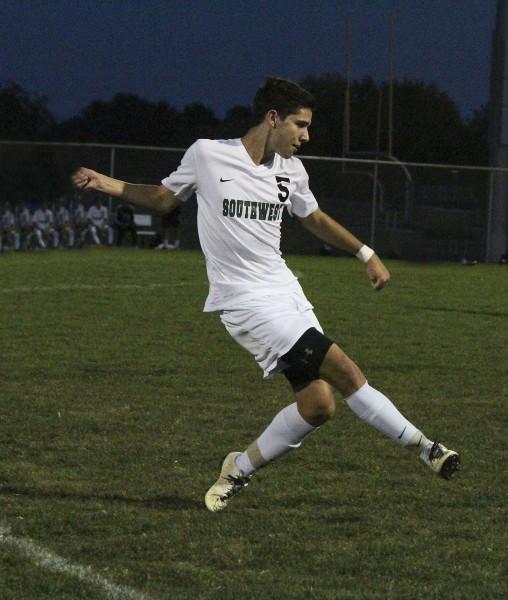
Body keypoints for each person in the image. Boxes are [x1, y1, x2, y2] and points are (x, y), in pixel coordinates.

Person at [71, 76, 460, 512]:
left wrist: (365, 252)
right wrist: (107, 183)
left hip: (286, 294)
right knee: (344, 370)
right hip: (243, 302)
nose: (306, 136)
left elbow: (313, 219)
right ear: (272, 119)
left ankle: (239, 467)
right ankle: (426, 447)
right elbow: (164, 199)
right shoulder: (208, 154)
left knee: (317, 406)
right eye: (300, 125)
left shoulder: (290, 171)